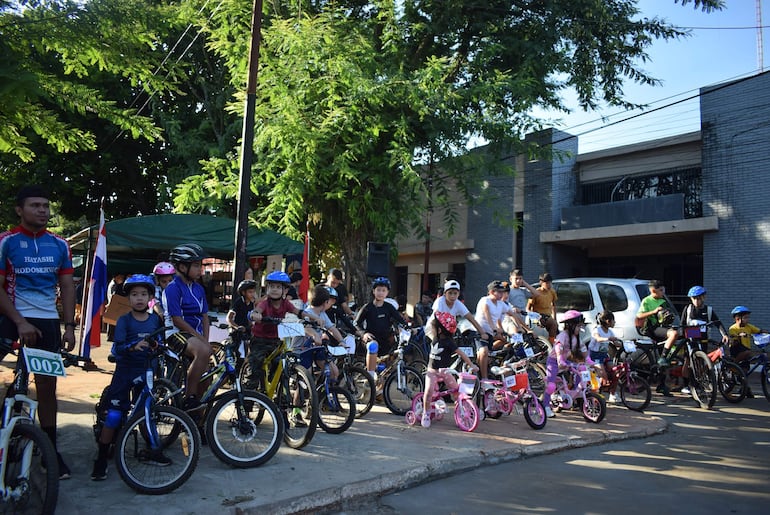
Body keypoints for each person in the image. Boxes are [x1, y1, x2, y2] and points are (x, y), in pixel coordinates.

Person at [0, 185, 77, 480]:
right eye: (35, 205)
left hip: (47, 321)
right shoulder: (6, 242)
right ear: (20, 209)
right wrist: (19, 321)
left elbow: (68, 286)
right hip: (10, 316)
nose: (42, 211)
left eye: (45, 206)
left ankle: (49, 451)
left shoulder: (60, 245)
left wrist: (69, 325)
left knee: (47, 388)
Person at [91, 275, 167, 480]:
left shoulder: (155, 320)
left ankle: (154, 450)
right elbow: (117, 348)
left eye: (144, 294)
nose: (139, 298)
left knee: (148, 412)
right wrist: (132, 346)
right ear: (128, 298)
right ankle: (101, 458)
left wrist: (157, 346)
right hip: (125, 372)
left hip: (147, 371)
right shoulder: (124, 320)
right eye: (134, 295)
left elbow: (160, 341)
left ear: (151, 297)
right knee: (114, 415)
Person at [248, 271, 322, 427]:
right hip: (260, 341)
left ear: (285, 290)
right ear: (266, 289)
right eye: (271, 287)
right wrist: (255, 316)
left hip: (275, 341)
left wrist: (315, 318)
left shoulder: (286, 304)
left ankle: (281, 409)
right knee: (255, 372)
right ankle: (245, 409)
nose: (274, 290)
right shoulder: (264, 303)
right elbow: (257, 312)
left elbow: (300, 312)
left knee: (282, 373)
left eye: (278, 287)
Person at [163, 243, 212, 412]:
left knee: (207, 379)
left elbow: (205, 316)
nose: (200, 270)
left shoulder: (199, 288)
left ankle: (194, 417)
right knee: (204, 351)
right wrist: (202, 343)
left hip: (194, 337)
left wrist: (205, 339)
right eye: (197, 265)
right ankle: (189, 398)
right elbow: (177, 320)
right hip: (175, 334)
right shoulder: (173, 288)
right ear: (182, 267)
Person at [420, 312, 478, 428]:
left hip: (445, 371)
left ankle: (461, 409)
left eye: (433, 326)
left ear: (440, 330)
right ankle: (425, 413)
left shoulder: (449, 343)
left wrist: (471, 364)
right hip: (432, 372)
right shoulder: (433, 336)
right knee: (429, 392)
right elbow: (428, 329)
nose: (431, 328)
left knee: (456, 390)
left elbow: (461, 354)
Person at [354, 277, 408, 379]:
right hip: (371, 339)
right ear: (373, 291)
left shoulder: (389, 307)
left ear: (387, 292)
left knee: (386, 370)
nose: (381, 293)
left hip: (386, 340)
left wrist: (409, 328)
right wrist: (363, 333)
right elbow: (356, 324)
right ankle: (370, 376)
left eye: (383, 290)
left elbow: (401, 320)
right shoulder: (367, 307)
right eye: (378, 290)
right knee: (373, 346)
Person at [678, 286, 729, 395]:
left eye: (699, 298)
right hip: (690, 340)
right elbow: (682, 325)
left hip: (703, 340)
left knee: (701, 363)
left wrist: (724, 334)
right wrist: (684, 335)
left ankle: (698, 383)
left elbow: (718, 323)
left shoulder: (709, 310)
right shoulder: (688, 309)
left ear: (704, 297)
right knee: (688, 362)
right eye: (694, 298)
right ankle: (687, 384)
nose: (696, 301)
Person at [635, 279, 678, 396]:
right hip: (652, 329)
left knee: (667, 362)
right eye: (661, 290)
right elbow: (639, 315)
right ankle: (662, 357)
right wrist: (653, 311)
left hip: (662, 328)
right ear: (654, 290)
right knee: (673, 334)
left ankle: (662, 385)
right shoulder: (647, 301)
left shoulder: (663, 300)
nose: (663, 292)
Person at [474, 280, 524, 379]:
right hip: (480, 332)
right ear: (492, 292)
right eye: (499, 292)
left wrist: (519, 327)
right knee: (484, 351)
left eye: (503, 292)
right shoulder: (485, 300)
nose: (502, 294)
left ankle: (491, 368)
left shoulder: (501, 304)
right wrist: (495, 328)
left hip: (491, 333)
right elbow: (487, 315)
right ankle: (484, 379)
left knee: (507, 344)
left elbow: (512, 314)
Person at [543, 309, 587, 418]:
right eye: (578, 326)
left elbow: (583, 349)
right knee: (551, 386)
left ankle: (578, 394)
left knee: (581, 369)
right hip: (554, 362)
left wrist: (589, 361)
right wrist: (560, 360)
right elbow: (559, 347)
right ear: (571, 325)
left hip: (565, 361)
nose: (579, 328)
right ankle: (545, 406)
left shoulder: (575, 338)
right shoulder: (563, 335)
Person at [294, 285, 343, 381]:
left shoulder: (322, 314)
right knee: (306, 380)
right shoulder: (307, 312)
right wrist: (315, 335)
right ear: (325, 302)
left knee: (334, 372)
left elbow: (332, 328)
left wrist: (341, 341)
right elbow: (305, 327)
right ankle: (306, 393)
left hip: (316, 348)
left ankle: (326, 392)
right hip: (302, 349)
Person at [424, 280, 489, 345]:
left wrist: (482, 333)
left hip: (449, 331)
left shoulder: (458, 304)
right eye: (450, 293)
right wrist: (436, 337)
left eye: (455, 293)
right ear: (445, 293)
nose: (452, 296)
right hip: (434, 329)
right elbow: (436, 321)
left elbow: (471, 319)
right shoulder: (440, 301)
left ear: (458, 294)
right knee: (439, 347)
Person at [728, 305, 767, 398]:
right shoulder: (733, 328)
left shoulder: (749, 327)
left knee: (745, 371)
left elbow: (758, 330)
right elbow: (733, 338)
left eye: (747, 317)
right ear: (738, 318)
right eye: (745, 318)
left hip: (745, 350)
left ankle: (745, 388)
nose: (747, 319)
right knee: (747, 353)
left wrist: (766, 333)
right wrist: (740, 335)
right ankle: (734, 364)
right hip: (737, 351)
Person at [589, 310, 622, 404]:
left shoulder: (610, 332)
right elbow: (598, 339)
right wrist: (608, 339)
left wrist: (624, 344)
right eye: (613, 320)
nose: (614, 322)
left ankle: (613, 394)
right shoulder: (597, 330)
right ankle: (597, 394)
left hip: (604, 356)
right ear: (608, 321)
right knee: (603, 376)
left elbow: (616, 343)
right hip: (594, 356)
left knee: (616, 372)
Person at [526, 273, 559, 341]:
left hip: (547, 316)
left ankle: (551, 343)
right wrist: (534, 318)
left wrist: (555, 318)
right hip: (538, 316)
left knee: (554, 324)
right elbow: (528, 308)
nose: (549, 285)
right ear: (541, 283)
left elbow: (554, 306)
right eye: (547, 283)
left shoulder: (552, 292)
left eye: (550, 283)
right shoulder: (536, 292)